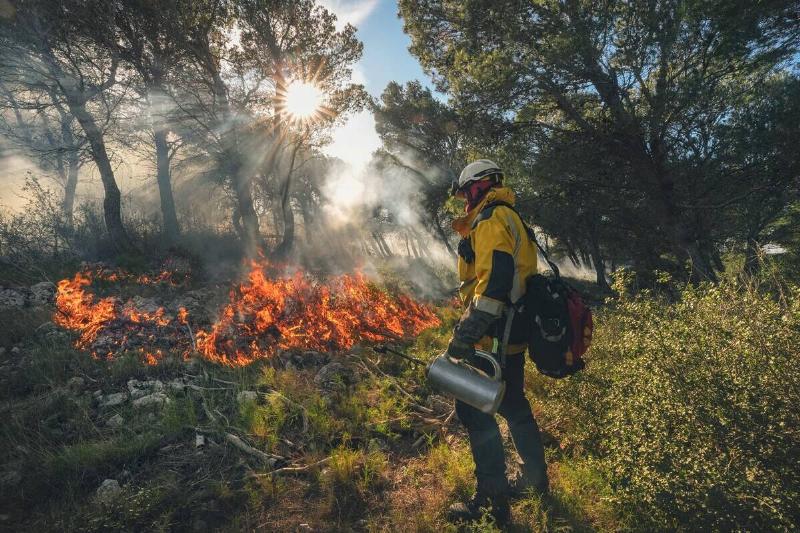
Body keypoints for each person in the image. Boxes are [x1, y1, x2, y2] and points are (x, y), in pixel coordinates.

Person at [445, 160, 548, 525]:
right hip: (513, 333)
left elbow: (495, 286)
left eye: (464, 194)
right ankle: (536, 483)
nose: (463, 203)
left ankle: (491, 501)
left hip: (493, 335)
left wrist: (467, 334)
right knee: (514, 404)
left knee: (475, 411)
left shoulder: (490, 221)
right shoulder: (509, 215)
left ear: (477, 187)